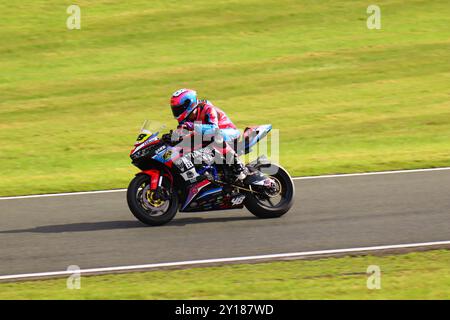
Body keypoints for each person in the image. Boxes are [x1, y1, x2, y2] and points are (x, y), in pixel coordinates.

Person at [170, 88, 248, 180]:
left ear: (189, 104)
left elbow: (213, 129)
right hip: (207, 137)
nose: (176, 111)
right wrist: (173, 137)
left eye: (178, 108)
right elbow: (184, 132)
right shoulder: (185, 119)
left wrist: (191, 126)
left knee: (215, 135)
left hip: (228, 133)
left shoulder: (207, 108)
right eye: (174, 109)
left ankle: (238, 165)